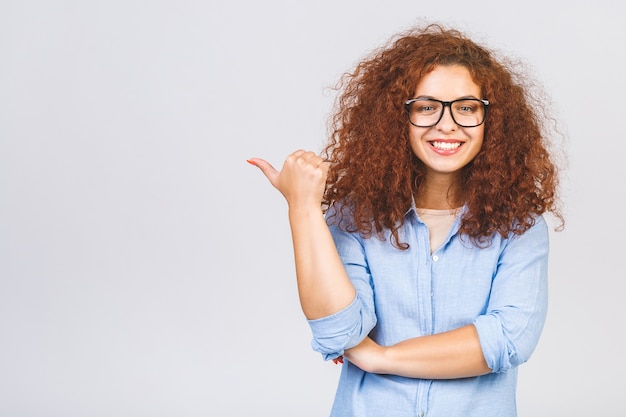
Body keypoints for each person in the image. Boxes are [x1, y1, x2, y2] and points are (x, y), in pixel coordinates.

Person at [247, 22, 564, 417]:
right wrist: (303, 208)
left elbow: (508, 340)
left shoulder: (519, 225)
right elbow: (339, 332)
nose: (446, 124)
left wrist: (379, 358)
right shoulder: (353, 216)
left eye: (466, 107)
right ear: (399, 118)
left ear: (491, 122)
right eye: (426, 107)